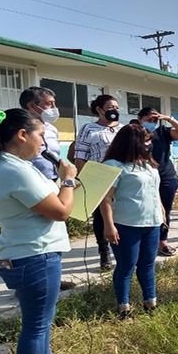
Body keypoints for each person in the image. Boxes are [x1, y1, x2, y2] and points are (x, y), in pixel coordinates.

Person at [0, 108, 77, 354]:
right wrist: (68, 178)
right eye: (41, 135)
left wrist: (63, 185)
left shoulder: (8, 166)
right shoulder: (14, 170)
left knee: (42, 320)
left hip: (30, 254)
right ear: (22, 135)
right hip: (35, 256)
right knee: (36, 325)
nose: (44, 143)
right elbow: (61, 211)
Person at [100, 124, 163, 318]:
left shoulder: (148, 163)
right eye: (146, 141)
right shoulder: (114, 165)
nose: (149, 144)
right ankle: (123, 307)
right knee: (126, 266)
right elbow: (106, 198)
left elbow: (155, 189)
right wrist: (109, 225)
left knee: (147, 265)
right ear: (133, 142)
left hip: (151, 223)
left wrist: (161, 211)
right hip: (126, 224)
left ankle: (150, 303)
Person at [19, 86, 76, 291]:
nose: (54, 108)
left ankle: (53, 277)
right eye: (49, 104)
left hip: (52, 181)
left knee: (53, 232)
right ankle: (25, 284)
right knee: (33, 235)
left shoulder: (51, 129)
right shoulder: (20, 129)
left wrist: (66, 175)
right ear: (32, 106)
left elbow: (55, 155)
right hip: (30, 185)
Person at [74, 94, 123, 271]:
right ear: (99, 110)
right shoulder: (89, 129)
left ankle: (121, 249)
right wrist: (82, 177)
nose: (114, 111)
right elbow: (80, 155)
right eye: (110, 107)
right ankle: (104, 252)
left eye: (117, 108)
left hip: (122, 177)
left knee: (121, 214)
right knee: (102, 217)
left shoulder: (123, 129)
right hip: (98, 177)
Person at [137, 107, 178, 256]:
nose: (152, 122)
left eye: (155, 120)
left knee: (164, 210)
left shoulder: (162, 132)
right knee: (143, 209)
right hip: (143, 177)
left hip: (166, 176)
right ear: (140, 118)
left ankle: (162, 241)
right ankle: (143, 242)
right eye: (148, 119)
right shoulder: (134, 132)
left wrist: (168, 119)